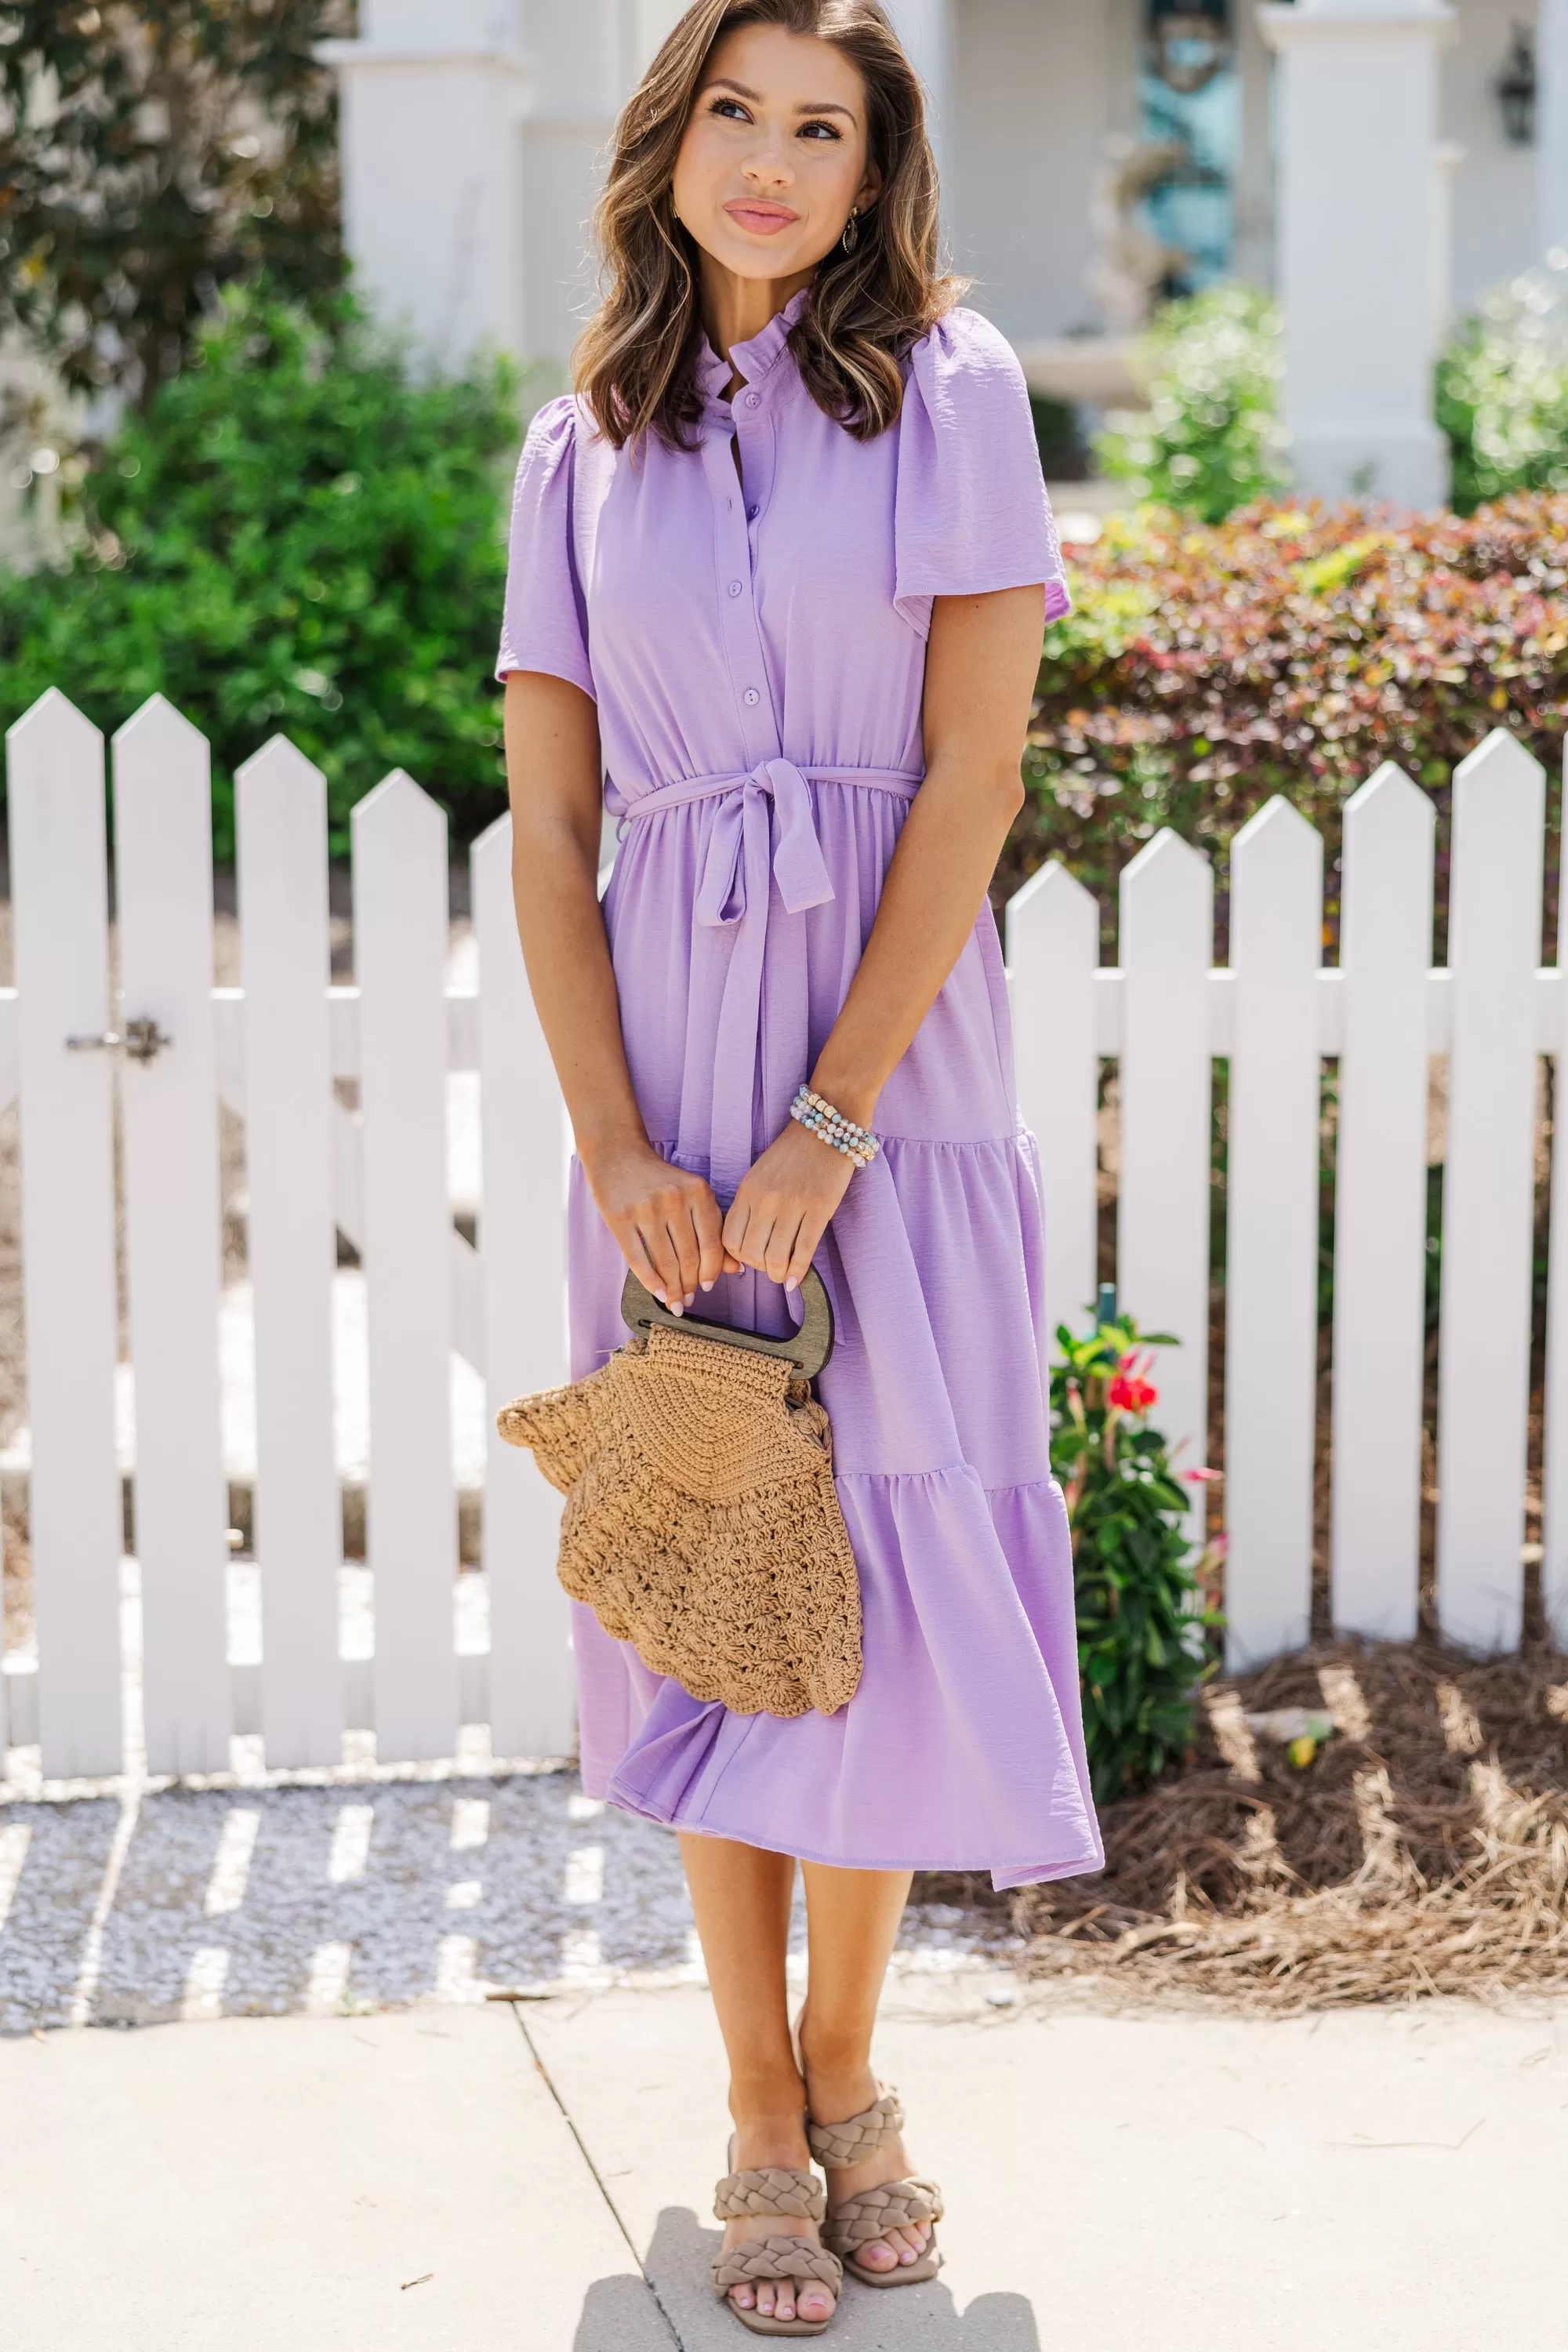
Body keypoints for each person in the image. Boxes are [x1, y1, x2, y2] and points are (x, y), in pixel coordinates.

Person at [499, 0, 1102, 2332]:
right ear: (668, 146)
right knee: (712, 1557)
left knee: (880, 1559)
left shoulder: (947, 392)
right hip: (657, 1068)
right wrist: (621, 1141)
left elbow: (970, 781)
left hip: (896, 1078)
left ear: (874, 172)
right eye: (732, 114)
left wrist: (835, 1118)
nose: (769, 162)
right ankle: (758, 2098)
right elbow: (553, 830)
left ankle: (857, 2066)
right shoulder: (579, 450)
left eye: (819, 128)